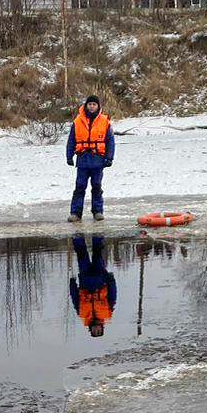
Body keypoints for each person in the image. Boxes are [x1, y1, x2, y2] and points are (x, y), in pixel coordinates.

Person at [65, 93, 114, 223]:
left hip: (98, 160)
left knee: (97, 186)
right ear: (86, 106)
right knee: (80, 186)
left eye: (94, 104)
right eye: (90, 104)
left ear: (98, 106)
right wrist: (69, 156)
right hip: (82, 160)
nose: (92, 107)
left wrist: (109, 158)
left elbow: (110, 141)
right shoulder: (78, 121)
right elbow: (71, 140)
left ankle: (97, 211)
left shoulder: (105, 121)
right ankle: (75, 213)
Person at [69, 233, 118, 338]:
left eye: (95, 331)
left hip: (85, 279)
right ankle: (97, 233)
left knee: (81, 254)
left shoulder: (82, 314)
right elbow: (112, 296)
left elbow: (75, 299)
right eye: (99, 331)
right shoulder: (107, 314)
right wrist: (111, 280)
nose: (96, 329)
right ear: (102, 328)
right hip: (100, 279)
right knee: (97, 252)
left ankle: (77, 235)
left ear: (90, 330)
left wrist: (72, 285)